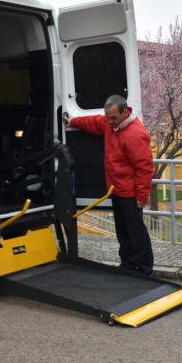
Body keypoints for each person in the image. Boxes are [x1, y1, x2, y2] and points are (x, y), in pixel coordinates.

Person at [65, 95, 154, 275]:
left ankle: (145, 269)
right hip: (116, 189)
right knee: (122, 230)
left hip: (130, 193)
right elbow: (94, 122)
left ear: (125, 112)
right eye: (108, 117)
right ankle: (128, 265)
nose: (110, 121)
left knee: (136, 232)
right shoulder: (109, 123)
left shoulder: (136, 134)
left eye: (113, 117)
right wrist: (73, 121)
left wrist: (142, 197)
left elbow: (145, 168)